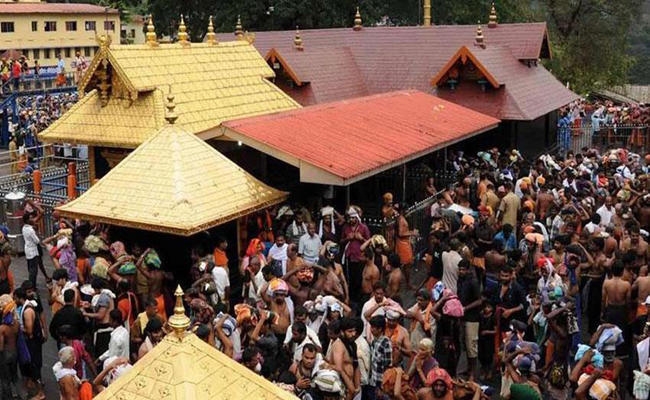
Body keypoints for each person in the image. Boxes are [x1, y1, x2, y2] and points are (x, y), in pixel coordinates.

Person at [457, 259, 481, 381]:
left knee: (471, 345)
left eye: (463, 269)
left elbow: (479, 300)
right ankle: (468, 368)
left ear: (468, 270)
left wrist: (465, 308)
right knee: (465, 345)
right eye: (460, 269)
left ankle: (472, 372)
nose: (461, 272)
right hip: (463, 317)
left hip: (472, 318)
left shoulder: (473, 282)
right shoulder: (460, 280)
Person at [369, 315, 392, 398]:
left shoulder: (386, 342)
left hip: (381, 383)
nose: (371, 329)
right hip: (373, 381)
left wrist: (381, 386)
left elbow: (387, 365)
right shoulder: (374, 341)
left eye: (373, 327)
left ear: (380, 329)